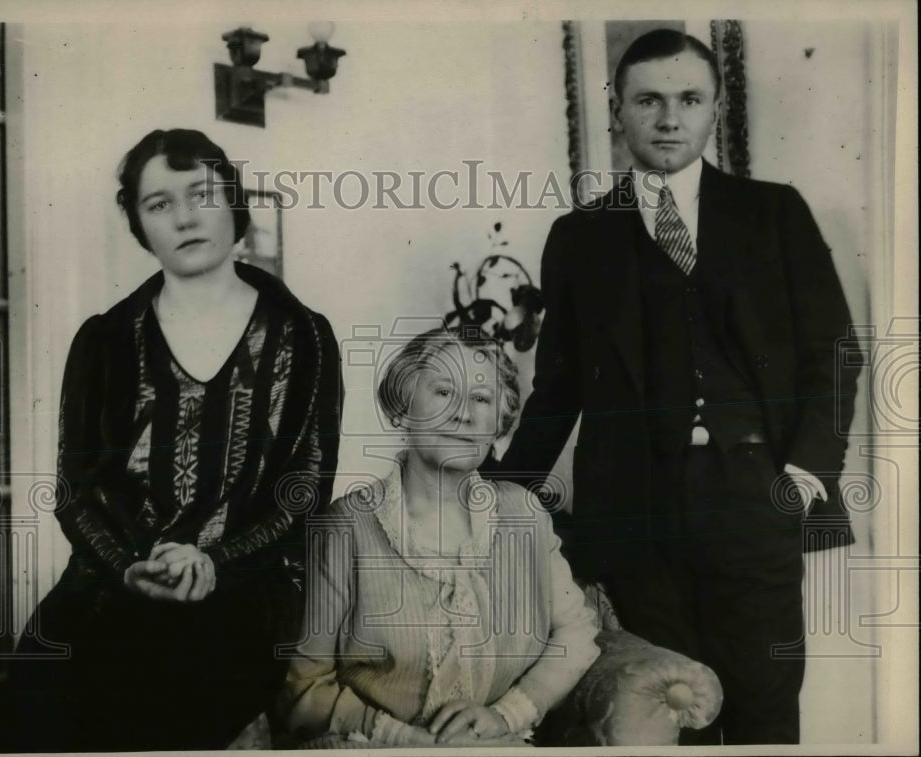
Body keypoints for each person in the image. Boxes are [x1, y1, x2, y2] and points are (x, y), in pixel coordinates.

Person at [497, 30, 861, 744]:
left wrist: (806, 474)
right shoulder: (579, 236)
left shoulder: (774, 214)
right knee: (665, 714)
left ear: (714, 110)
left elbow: (836, 353)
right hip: (632, 522)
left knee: (763, 711)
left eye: (689, 99)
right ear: (618, 111)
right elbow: (557, 389)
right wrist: (491, 491)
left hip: (755, 507)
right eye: (649, 100)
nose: (669, 118)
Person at [8, 128, 342, 752]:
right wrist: (129, 566)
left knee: (190, 681)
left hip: (246, 590)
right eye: (159, 203)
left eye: (202, 194)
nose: (185, 217)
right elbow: (74, 492)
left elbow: (305, 490)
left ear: (234, 202)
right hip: (113, 587)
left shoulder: (305, 337)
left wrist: (215, 563)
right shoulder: (103, 340)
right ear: (137, 222)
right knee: (46, 683)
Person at [283, 327, 599, 748]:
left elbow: (577, 633)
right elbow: (304, 687)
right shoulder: (348, 525)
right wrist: (405, 739)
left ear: (498, 426)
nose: (464, 414)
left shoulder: (525, 514)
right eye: (445, 392)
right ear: (401, 409)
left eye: (482, 399)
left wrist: (508, 714)